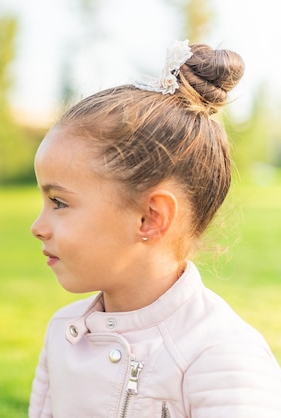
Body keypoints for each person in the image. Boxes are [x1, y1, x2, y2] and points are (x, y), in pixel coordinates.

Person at [28, 40, 281, 418]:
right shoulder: (64, 333)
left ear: (150, 217)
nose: (37, 227)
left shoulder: (221, 356)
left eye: (60, 203)